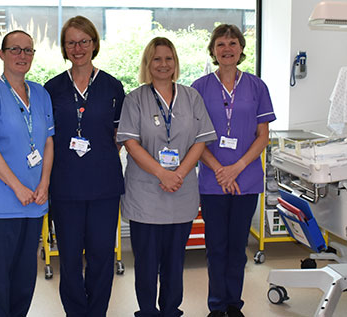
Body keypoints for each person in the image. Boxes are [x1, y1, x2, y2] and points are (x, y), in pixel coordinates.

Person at [117, 37, 216, 317]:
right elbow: (130, 143)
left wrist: (180, 173)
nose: (163, 64)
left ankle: (171, 310)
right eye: (156, 59)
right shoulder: (134, 99)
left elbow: (201, 140)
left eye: (168, 58)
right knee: (147, 262)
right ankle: (147, 311)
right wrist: (162, 173)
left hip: (181, 191)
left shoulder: (191, 97)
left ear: (176, 63)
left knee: (174, 261)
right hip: (146, 193)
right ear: (148, 64)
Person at [191, 24, 275, 317]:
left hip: (246, 179)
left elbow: (263, 135)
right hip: (213, 181)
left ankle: (233, 304)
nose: (227, 49)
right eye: (221, 44)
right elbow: (196, 138)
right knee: (216, 247)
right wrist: (220, 170)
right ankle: (216, 306)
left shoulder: (256, 86)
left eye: (233, 43)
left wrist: (236, 168)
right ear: (213, 51)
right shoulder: (199, 88)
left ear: (241, 48)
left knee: (237, 248)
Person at [43, 16, 125, 317]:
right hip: (65, 187)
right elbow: (46, 138)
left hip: (103, 185)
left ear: (94, 44)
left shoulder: (112, 87)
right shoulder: (51, 88)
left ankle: (97, 312)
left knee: (102, 255)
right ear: (65, 47)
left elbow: (118, 136)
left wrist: (98, 156)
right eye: (71, 42)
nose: (78, 48)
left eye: (84, 41)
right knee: (69, 259)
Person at [0, 30, 55, 317]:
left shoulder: (41, 94)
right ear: (2, 54)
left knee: (23, 276)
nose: (22, 56)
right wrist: (18, 187)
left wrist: (44, 182)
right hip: (0, 202)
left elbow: (47, 141)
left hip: (33, 200)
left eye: (28, 50)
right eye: (15, 50)